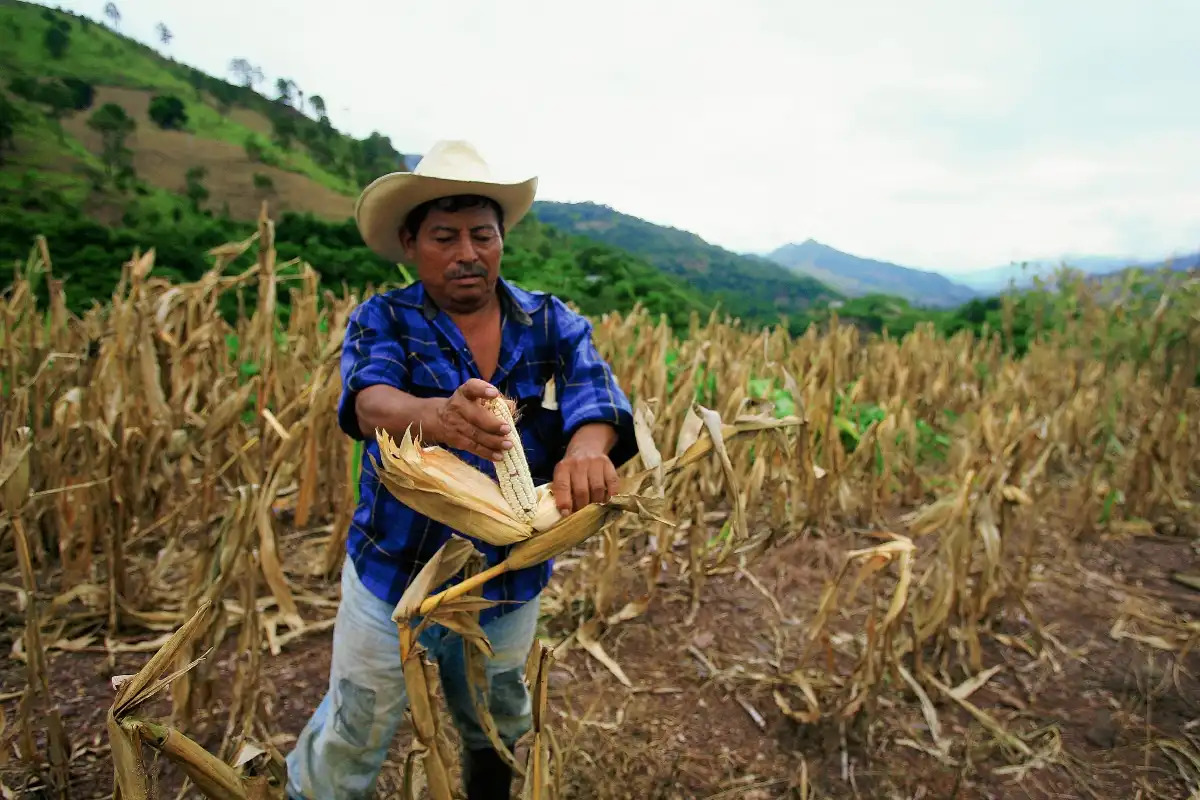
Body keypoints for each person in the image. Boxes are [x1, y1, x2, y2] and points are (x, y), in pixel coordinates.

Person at [285, 140, 638, 800]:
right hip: (393, 570)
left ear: (502, 240)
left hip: (509, 575)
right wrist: (438, 418)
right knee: (354, 729)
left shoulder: (551, 320)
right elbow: (368, 403)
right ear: (410, 242)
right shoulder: (383, 319)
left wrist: (587, 448)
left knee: (496, 719)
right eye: (444, 237)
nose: (467, 253)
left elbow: (596, 394)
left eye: (483, 234)